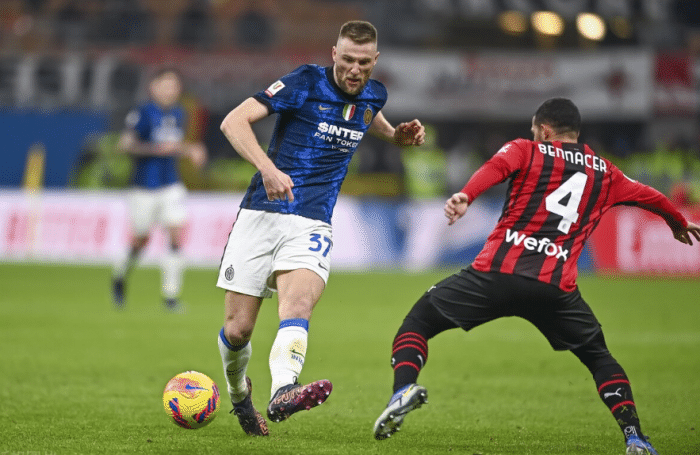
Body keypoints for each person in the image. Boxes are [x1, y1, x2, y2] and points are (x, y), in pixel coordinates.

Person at [372, 98, 700, 454]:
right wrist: (677, 222)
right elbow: (650, 195)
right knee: (599, 358)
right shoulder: (606, 172)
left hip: (496, 274)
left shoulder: (526, 149)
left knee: (418, 322)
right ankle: (634, 437)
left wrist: (467, 195)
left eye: (534, 130)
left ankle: (403, 389)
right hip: (554, 287)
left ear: (544, 130)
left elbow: (495, 167)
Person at [216, 20, 425, 437]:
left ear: (375, 60)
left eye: (363, 62)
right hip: (262, 212)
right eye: (347, 60)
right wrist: (267, 169)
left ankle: (284, 390)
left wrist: (395, 136)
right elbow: (233, 122)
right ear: (334, 54)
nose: (354, 70)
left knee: (297, 306)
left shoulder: (374, 94)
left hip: (313, 220)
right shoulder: (305, 82)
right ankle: (240, 396)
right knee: (238, 330)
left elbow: (368, 116)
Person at [111, 68, 207, 312]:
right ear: (153, 87)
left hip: (171, 184)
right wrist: (157, 149)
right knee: (140, 239)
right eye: (165, 85)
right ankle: (120, 276)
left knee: (175, 234)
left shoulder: (179, 113)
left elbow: (174, 145)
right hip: (143, 186)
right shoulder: (143, 112)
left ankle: (171, 296)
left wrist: (190, 149)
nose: (170, 90)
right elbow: (124, 145)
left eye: (174, 86)